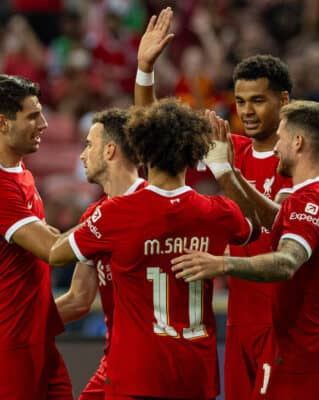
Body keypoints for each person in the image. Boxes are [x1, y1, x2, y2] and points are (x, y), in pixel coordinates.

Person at [49, 98, 259, 400]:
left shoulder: (115, 213)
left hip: (138, 374)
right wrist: (224, 169)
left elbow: (56, 253)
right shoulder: (218, 212)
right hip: (196, 374)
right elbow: (256, 224)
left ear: (142, 151)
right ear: (195, 152)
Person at [134, 8, 293, 399]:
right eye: (241, 101)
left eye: (258, 100)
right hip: (239, 321)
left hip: (283, 322)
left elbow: (283, 228)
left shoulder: (298, 159)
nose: (248, 111)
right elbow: (155, 136)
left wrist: (227, 175)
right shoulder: (230, 147)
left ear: (284, 100)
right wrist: (145, 71)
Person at [172, 100, 319, 400]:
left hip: (302, 361)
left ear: (298, 143)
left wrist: (222, 264)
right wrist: (226, 172)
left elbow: (287, 262)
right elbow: (279, 220)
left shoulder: (307, 202)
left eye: (282, 139)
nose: (275, 149)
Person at [0, 74, 73, 400]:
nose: (45, 123)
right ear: (3, 123)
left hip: (34, 336)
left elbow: (48, 236)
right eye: (33, 116)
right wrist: (111, 216)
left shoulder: (19, 171)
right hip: (4, 343)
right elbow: (53, 249)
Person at [54, 108, 146, 400]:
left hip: (150, 363)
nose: (82, 155)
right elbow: (79, 298)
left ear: (109, 150)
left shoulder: (154, 207)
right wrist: (22, 323)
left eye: (89, 145)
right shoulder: (94, 215)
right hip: (114, 360)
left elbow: (55, 254)